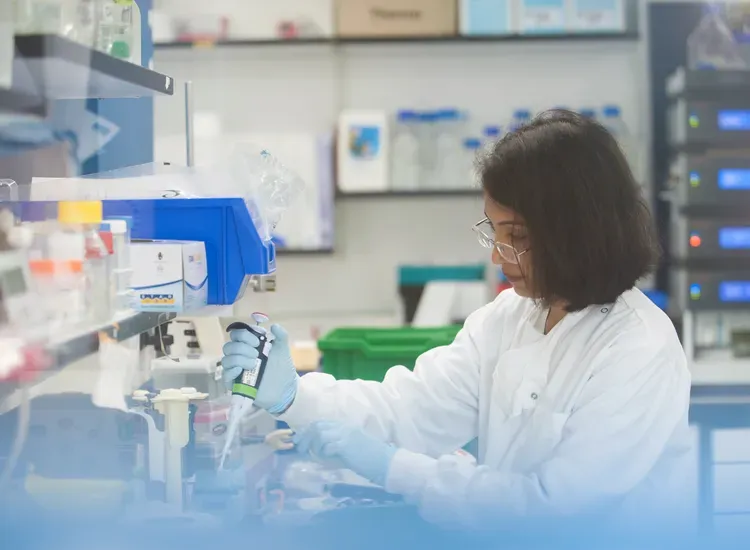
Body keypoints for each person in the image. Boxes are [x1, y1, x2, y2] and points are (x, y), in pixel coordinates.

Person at [222, 110, 693, 528]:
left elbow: (552, 508)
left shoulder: (637, 348)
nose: (498, 256)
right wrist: (293, 396)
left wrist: (396, 468)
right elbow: (408, 410)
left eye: (518, 235)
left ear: (575, 233)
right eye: (494, 230)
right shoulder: (507, 319)